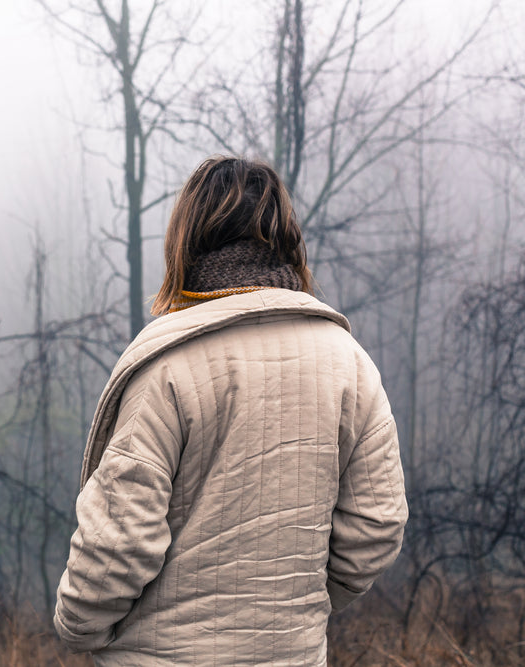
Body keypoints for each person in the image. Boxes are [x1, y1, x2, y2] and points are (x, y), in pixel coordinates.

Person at [53, 156, 408, 665]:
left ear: (188, 236)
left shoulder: (167, 364)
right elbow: (377, 525)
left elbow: (118, 542)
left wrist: (77, 626)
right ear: (284, 236)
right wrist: (289, 613)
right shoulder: (350, 363)